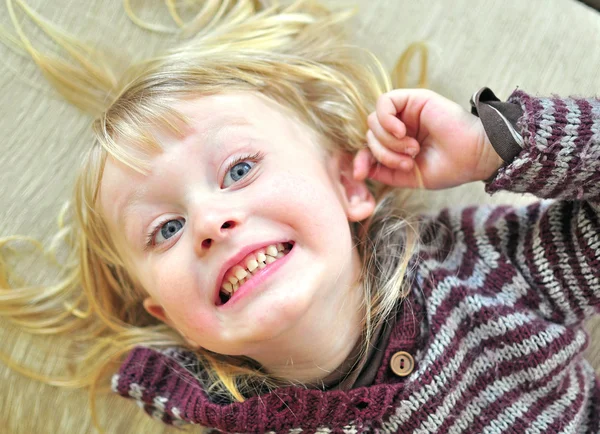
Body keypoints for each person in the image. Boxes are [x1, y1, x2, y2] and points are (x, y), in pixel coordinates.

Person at [1, 1, 598, 433]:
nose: (209, 221)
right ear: (170, 315)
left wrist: (494, 144)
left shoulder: (491, 271)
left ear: (348, 185)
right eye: (166, 230)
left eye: (238, 170)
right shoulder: (221, 418)